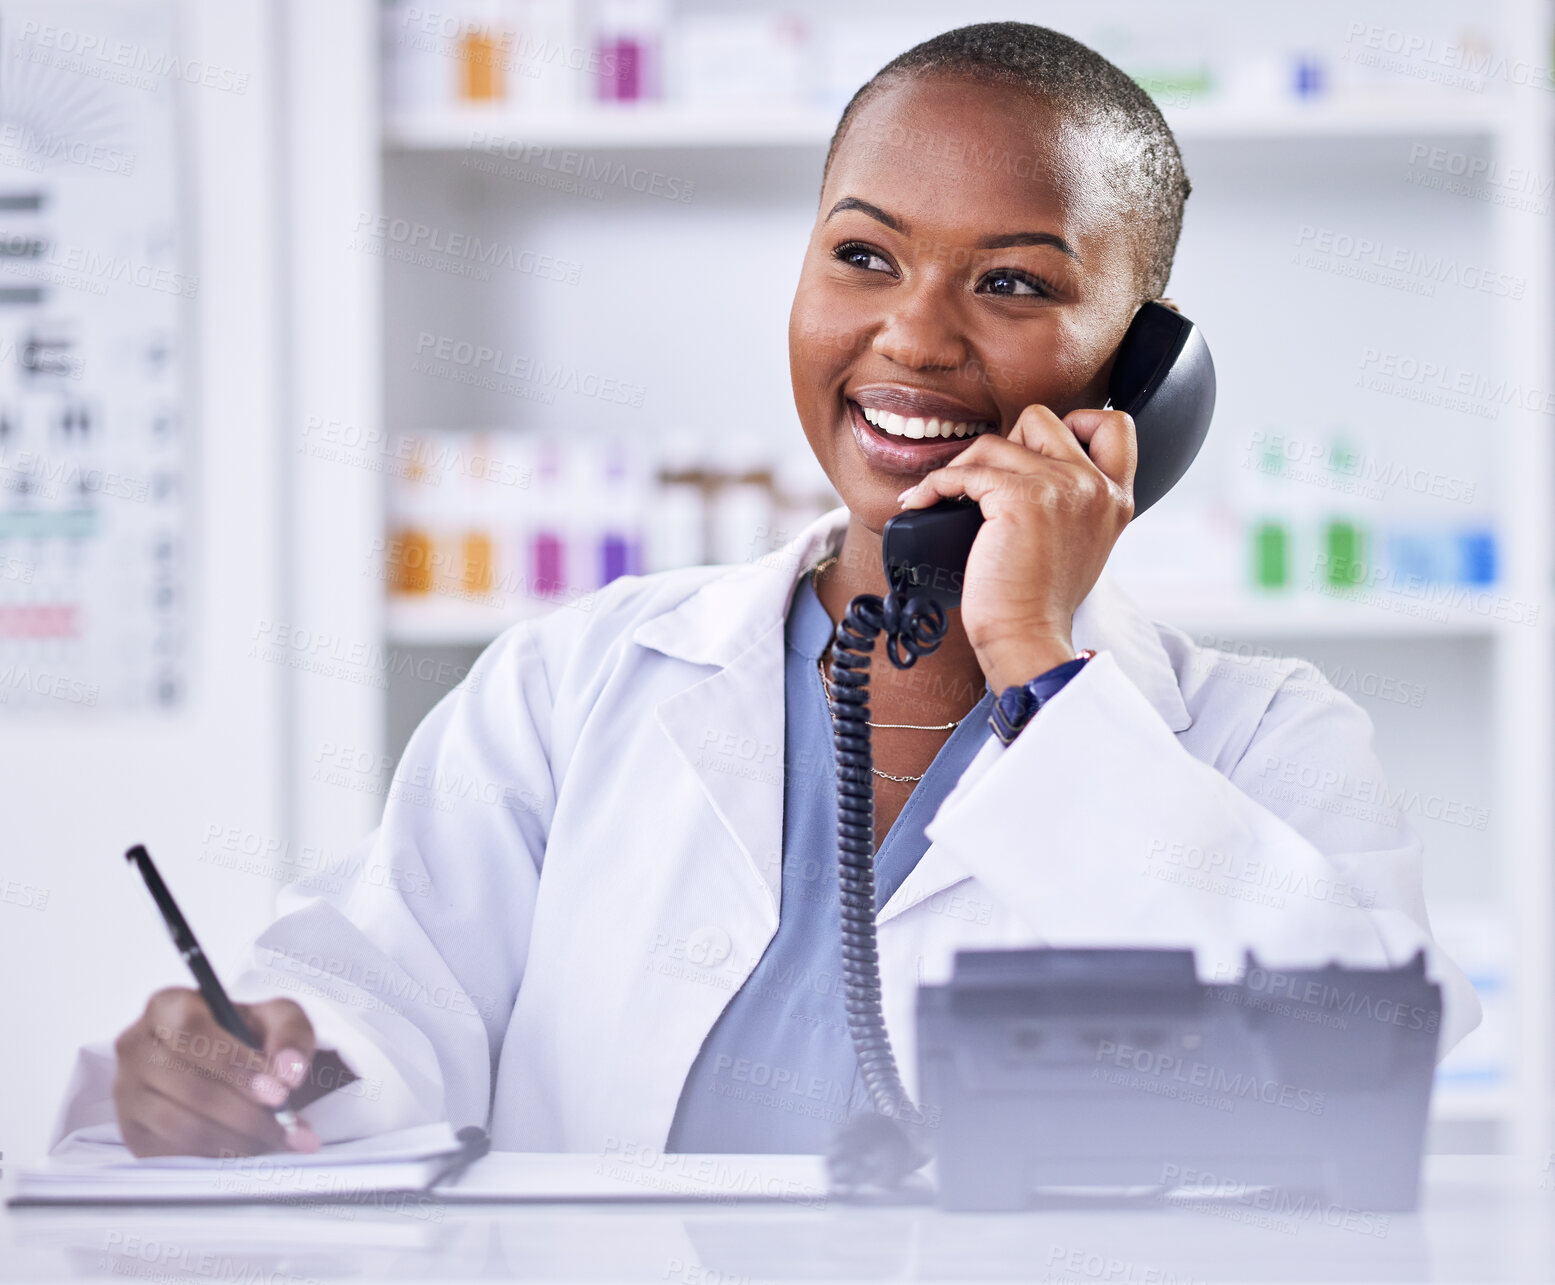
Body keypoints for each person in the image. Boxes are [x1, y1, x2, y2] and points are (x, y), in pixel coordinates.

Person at [55, 22, 1478, 1159]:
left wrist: (1035, 657)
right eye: (863, 255)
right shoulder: (580, 682)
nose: (911, 337)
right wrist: (255, 1069)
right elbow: (387, 1012)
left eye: (1015, 285)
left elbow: (1356, 1086)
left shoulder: (1263, 744)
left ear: (1142, 378)